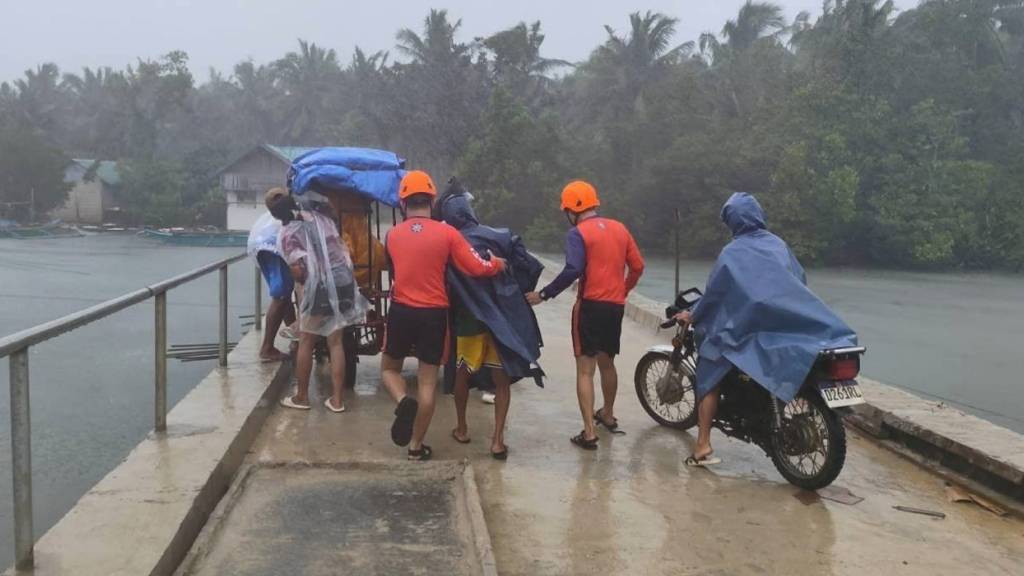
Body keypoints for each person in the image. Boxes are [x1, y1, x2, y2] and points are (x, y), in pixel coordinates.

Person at [674, 192, 857, 467]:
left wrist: (694, 314)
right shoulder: (779, 246)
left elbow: (714, 295)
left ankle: (702, 445)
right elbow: (799, 280)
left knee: (709, 371)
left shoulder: (731, 253)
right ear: (758, 214)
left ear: (732, 222)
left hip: (747, 331)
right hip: (785, 326)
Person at [381, 170, 506, 461]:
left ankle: (402, 401)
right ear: (432, 200)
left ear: (403, 203)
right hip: (434, 315)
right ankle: (415, 447)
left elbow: (393, 268)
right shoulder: (447, 233)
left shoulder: (392, 235)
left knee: (389, 370)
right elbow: (477, 268)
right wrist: (496, 265)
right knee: (427, 382)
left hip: (401, 311)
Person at [526, 180, 644, 450]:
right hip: (614, 307)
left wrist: (544, 294)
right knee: (607, 363)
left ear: (572, 209)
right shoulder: (620, 229)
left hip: (589, 306)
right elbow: (638, 266)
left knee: (585, 371)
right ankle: (608, 414)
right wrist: (622, 290)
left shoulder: (578, 234)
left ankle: (589, 432)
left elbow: (572, 269)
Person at [439, 179, 545, 460]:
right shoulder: (499, 235)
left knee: (462, 373)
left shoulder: (450, 242)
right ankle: (497, 440)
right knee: (500, 378)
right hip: (501, 321)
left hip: (468, 320)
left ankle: (462, 428)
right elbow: (527, 264)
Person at [268, 188, 368, 414]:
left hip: (320, 286)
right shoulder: (322, 218)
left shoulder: (287, 233)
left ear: (275, 215)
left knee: (306, 341)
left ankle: (302, 397)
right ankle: (337, 400)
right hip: (343, 282)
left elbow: (299, 271)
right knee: (336, 342)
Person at [248, 190, 297, 362]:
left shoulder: (268, 217)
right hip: (272, 249)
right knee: (281, 295)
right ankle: (267, 347)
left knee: (285, 293)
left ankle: (294, 338)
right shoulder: (285, 214)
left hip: (262, 249)